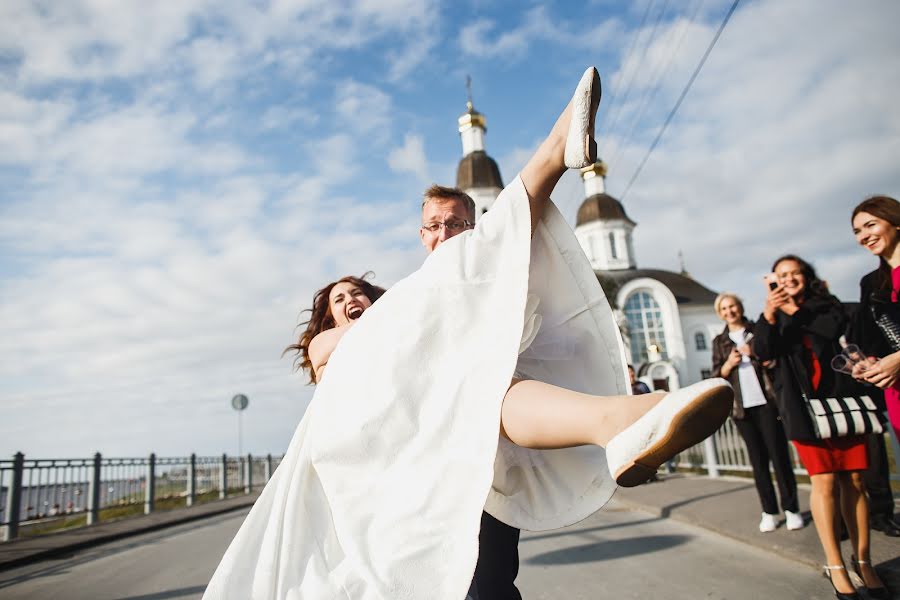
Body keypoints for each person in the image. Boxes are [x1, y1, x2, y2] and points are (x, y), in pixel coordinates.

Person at [203, 67, 733, 600]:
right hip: (394, 471)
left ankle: (624, 420)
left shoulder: (425, 313)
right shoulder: (340, 340)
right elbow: (374, 345)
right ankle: (552, 153)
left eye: (359, 294)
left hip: (468, 451)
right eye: (339, 300)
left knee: (491, 573)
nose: (352, 300)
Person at [754, 255, 888, 600]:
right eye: (781, 276)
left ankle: (864, 561)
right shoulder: (772, 315)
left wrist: (794, 311)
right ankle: (835, 564)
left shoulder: (825, 306)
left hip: (844, 402)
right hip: (803, 411)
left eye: (794, 273)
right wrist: (771, 312)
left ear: (806, 277)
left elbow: (830, 332)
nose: (788, 280)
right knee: (824, 482)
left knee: (856, 480)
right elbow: (763, 351)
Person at [711, 292, 802, 533]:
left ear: (740, 307)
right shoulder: (720, 342)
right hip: (741, 410)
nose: (730, 311)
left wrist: (757, 356)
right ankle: (769, 511)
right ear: (720, 314)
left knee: (779, 457)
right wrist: (728, 365)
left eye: (733, 306)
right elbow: (714, 377)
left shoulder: (756, 331)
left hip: (767, 403)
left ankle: (791, 509)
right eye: (724, 309)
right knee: (758, 462)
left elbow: (775, 359)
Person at [847, 195, 900, 538]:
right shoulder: (872, 284)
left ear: (895, 222)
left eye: (870, 225)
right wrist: (865, 363)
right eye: (856, 231)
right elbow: (873, 343)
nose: (863, 235)